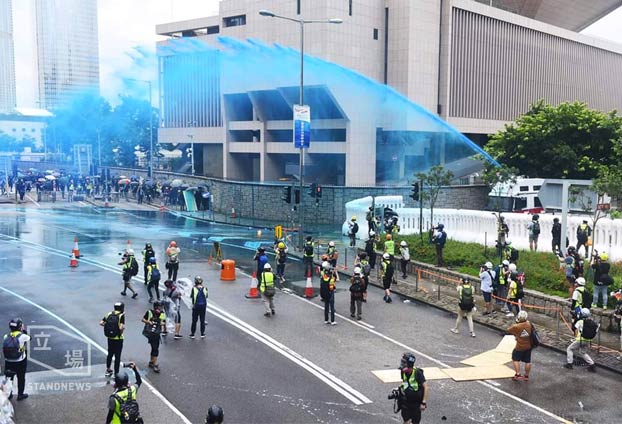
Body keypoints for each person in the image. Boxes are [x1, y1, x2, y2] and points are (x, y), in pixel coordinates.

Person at [394, 352, 428, 424]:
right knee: (406, 421)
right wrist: (399, 389)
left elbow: (426, 387)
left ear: (409, 364)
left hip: (416, 403)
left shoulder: (417, 373)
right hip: (406, 402)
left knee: (415, 422)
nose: (402, 364)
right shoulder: (403, 372)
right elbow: (405, 382)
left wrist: (423, 403)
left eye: (404, 362)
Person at [3, 318, 30, 400]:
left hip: (8, 361)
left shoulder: (6, 336)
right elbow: (29, 338)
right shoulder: (23, 336)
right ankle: (20, 394)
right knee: (21, 377)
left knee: (9, 378)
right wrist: (23, 330)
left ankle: (9, 394)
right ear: (20, 327)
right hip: (20, 361)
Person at [100, 302, 125, 378]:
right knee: (117, 356)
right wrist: (121, 330)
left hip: (110, 338)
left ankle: (108, 369)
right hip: (118, 339)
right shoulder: (121, 315)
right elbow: (121, 327)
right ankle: (116, 372)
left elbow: (101, 323)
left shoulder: (109, 314)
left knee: (110, 354)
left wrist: (108, 326)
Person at [507, 310, 533, 381]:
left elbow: (509, 330)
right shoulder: (529, 324)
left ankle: (518, 374)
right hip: (528, 346)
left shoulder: (517, 326)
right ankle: (526, 376)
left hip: (520, 346)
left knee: (515, 359)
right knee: (528, 361)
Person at [142, 302, 166, 373]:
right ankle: (155, 364)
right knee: (155, 348)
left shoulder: (162, 313)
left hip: (156, 333)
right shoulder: (149, 312)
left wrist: (161, 324)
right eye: (159, 307)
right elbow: (143, 319)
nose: (160, 308)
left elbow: (163, 322)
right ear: (155, 307)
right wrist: (148, 322)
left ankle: (151, 361)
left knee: (154, 347)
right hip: (150, 333)